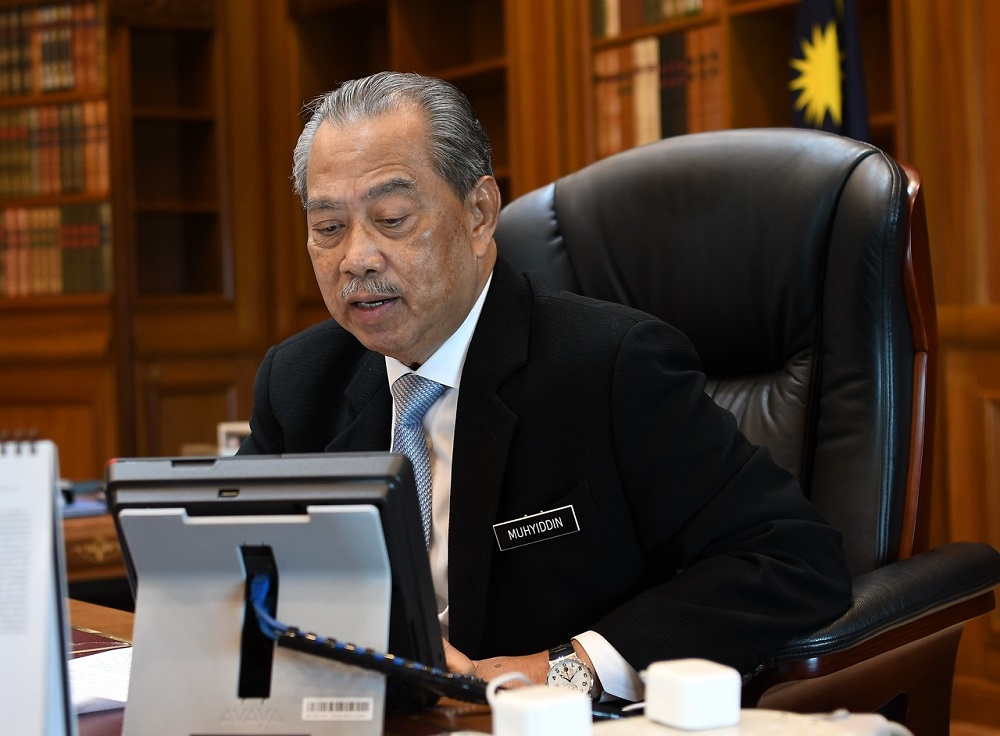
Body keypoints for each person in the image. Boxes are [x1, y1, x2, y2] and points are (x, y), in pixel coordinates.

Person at [238, 71, 852, 702]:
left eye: (392, 218)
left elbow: (791, 559)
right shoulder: (302, 380)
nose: (356, 258)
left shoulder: (611, 367)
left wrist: (564, 670)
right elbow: (228, 567)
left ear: (479, 214)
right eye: (329, 227)